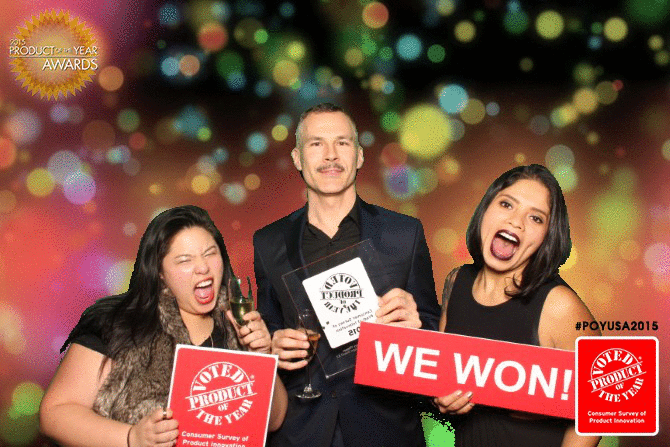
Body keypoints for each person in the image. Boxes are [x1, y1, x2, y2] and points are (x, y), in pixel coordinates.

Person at [253, 103, 441, 447]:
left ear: (359, 155)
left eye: (342, 142)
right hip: (300, 433)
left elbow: (433, 331)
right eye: (316, 144)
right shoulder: (268, 242)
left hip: (385, 430)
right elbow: (267, 327)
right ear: (297, 158)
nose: (330, 155)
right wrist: (272, 346)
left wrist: (416, 329)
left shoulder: (404, 233)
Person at [40, 205, 288, 447]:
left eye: (210, 253)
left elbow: (274, 421)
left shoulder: (240, 323)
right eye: (184, 260)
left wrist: (262, 357)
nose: (203, 267)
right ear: (159, 271)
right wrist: (131, 438)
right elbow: (55, 413)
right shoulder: (118, 324)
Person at [432, 165, 600, 447]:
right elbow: (443, 378)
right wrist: (441, 400)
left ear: (547, 236)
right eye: (507, 204)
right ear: (485, 209)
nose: (516, 222)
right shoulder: (456, 281)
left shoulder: (559, 306)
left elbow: (599, 408)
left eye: (536, 218)